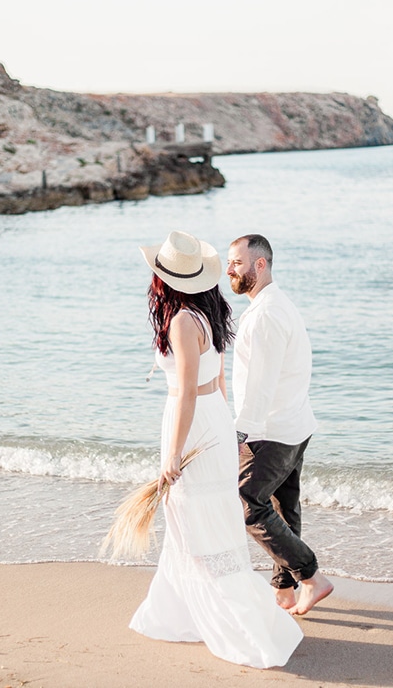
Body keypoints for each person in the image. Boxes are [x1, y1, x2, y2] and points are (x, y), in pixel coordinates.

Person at [130, 230, 303, 668]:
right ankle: (178, 613)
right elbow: (218, 383)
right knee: (199, 525)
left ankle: (235, 623)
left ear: (163, 280)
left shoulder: (183, 321)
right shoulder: (206, 315)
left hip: (190, 423)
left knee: (196, 525)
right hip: (211, 421)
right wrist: (223, 435)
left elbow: (186, 391)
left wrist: (172, 453)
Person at [227, 233, 333, 616]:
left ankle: (311, 577)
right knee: (283, 507)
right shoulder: (275, 304)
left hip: (271, 430)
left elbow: (261, 381)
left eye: (237, 262)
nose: (230, 270)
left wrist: (240, 433)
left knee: (247, 503)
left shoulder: (268, 313)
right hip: (294, 422)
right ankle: (286, 590)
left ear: (261, 264)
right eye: (229, 262)